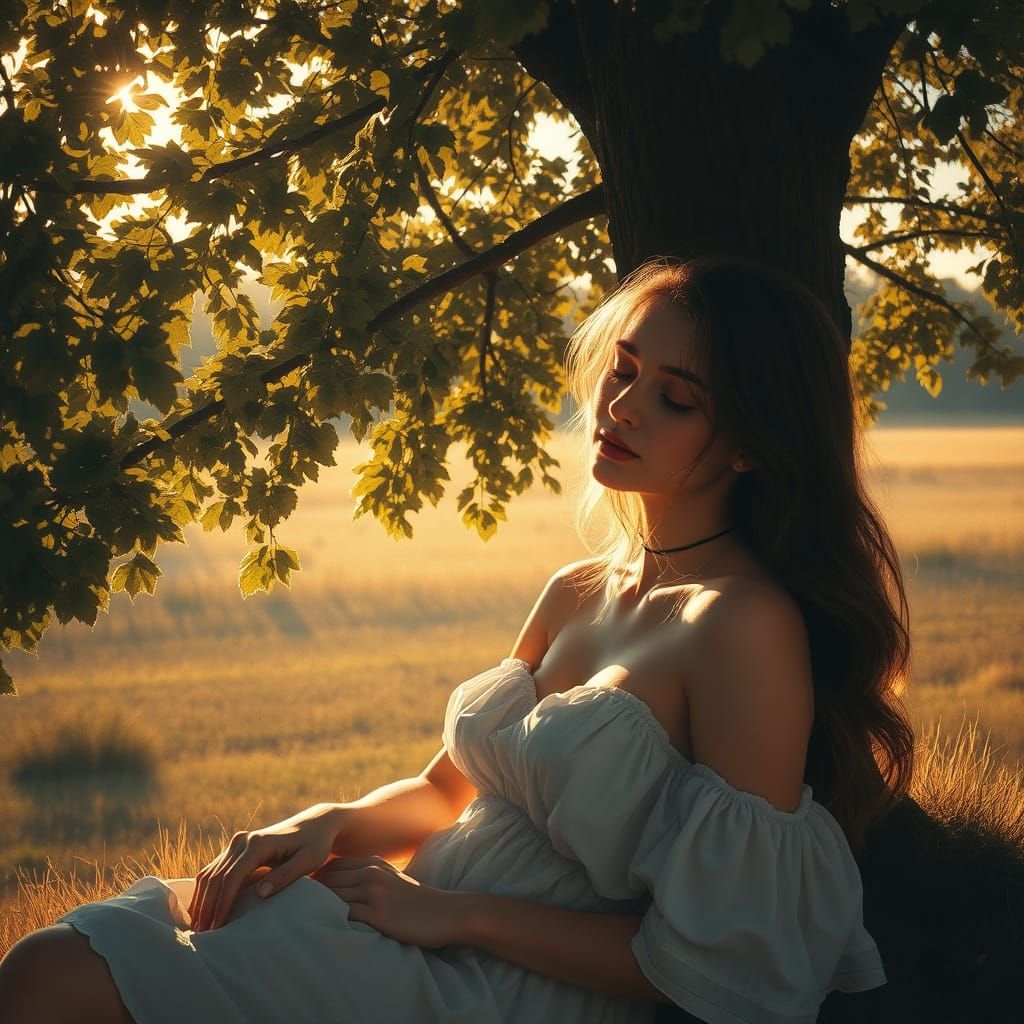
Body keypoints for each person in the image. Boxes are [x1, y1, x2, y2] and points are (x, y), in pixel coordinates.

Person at [0, 255, 914, 1024]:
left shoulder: (743, 626)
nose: (624, 406)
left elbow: (729, 963)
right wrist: (323, 824)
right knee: (48, 966)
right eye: (624, 368)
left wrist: (455, 917)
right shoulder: (579, 588)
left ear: (752, 443)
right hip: (408, 929)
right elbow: (447, 792)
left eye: (675, 398)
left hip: (508, 988)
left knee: (53, 985)